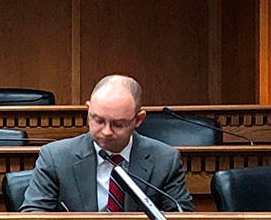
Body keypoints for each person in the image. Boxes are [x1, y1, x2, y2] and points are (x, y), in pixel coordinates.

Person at [21, 74, 193, 212]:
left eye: (118, 124)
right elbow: (33, 217)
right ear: (88, 110)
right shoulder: (55, 157)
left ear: (138, 119)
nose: (106, 131)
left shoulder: (164, 160)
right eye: (98, 120)